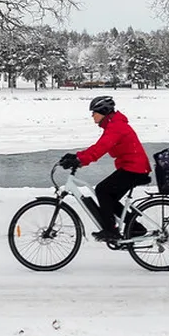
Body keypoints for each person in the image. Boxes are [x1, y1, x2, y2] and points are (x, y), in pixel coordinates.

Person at [58, 95, 152, 242]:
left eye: (94, 112)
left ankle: (110, 230)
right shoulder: (113, 124)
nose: (92, 116)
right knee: (109, 199)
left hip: (134, 168)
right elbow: (98, 147)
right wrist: (77, 156)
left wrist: (79, 160)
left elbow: (100, 149)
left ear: (103, 112)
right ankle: (135, 227)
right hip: (133, 167)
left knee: (102, 190)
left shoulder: (116, 127)